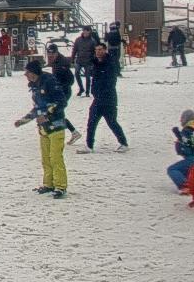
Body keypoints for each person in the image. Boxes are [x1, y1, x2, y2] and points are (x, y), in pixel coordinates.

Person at [13, 58, 70, 199]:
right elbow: (37, 108)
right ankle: (48, 184)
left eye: (27, 72)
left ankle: (60, 186)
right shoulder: (35, 86)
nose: (25, 75)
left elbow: (61, 102)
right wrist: (24, 120)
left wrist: (47, 115)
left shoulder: (50, 82)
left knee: (56, 157)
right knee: (46, 158)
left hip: (56, 126)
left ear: (33, 72)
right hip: (44, 129)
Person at [79, 42, 128, 153]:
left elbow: (111, 81)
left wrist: (101, 92)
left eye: (100, 49)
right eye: (96, 50)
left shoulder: (110, 63)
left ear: (105, 50)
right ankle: (89, 145)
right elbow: (93, 79)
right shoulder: (94, 63)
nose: (98, 52)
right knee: (91, 122)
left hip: (108, 98)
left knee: (112, 122)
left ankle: (124, 143)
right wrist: (94, 91)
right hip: (97, 98)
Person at [167, 109, 194, 193]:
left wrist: (178, 136)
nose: (180, 120)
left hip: (193, 158)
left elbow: (186, 143)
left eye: (182, 118)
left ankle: (185, 186)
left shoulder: (188, 129)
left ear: (187, 118)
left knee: (172, 169)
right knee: (186, 171)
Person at [72, 28, 96, 97]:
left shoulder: (92, 41)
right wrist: (72, 58)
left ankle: (87, 91)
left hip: (88, 61)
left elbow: (95, 51)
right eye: (84, 31)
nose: (85, 33)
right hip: (79, 60)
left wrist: (94, 60)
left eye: (87, 31)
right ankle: (81, 88)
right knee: (76, 73)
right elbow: (74, 49)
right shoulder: (78, 40)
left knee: (87, 76)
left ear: (89, 32)